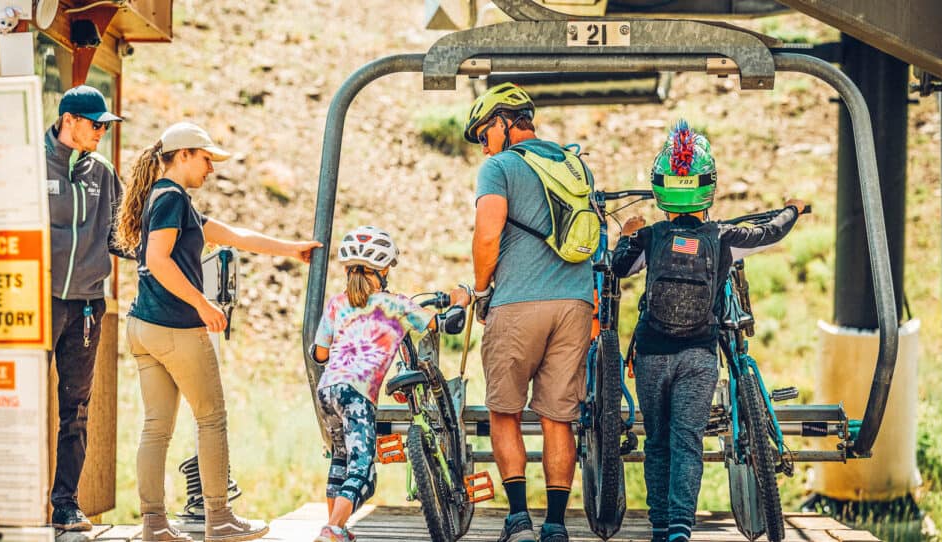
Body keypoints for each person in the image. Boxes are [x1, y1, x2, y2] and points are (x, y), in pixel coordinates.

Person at [114, 122, 321, 542]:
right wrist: (202, 303)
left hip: (143, 327)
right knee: (212, 419)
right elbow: (157, 260)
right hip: (175, 328)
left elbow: (233, 236)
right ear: (184, 154)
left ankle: (154, 525)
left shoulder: (164, 198)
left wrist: (291, 248)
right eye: (206, 159)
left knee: (156, 428)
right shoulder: (172, 198)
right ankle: (220, 519)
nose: (211, 169)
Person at [611, 120, 806, 542]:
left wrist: (626, 235)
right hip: (699, 355)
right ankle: (681, 526)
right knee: (687, 442)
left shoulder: (652, 236)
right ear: (708, 186)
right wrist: (794, 207)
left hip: (650, 353)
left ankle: (660, 525)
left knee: (658, 441)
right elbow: (770, 232)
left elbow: (618, 269)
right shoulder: (722, 237)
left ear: (660, 187)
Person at [452, 82, 595, 542]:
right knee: (558, 417)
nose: (482, 145)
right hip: (575, 302)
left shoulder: (500, 167)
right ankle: (554, 524)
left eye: (482, 133)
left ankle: (518, 519)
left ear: (502, 122)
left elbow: (488, 234)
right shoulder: (575, 165)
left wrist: (478, 289)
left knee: (505, 410)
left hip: (518, 303)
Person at [311, 226, 468, 542]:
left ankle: (336, 528)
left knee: (341, 460)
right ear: (382, 270)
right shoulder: (396, 305)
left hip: (327, 391)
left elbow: (319, 353)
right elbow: (442, 324)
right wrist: (460, 301)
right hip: (356, 395)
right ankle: (333, 529)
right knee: (362, 471)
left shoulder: (336, 303)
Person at [44, 84, 125, 531]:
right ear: (69, 121)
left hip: (88, 307)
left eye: (105, 127)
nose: (102, 133)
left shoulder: (104, 172)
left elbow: (121, 235)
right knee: (19, 401)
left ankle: (66, 504)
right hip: (36, 301)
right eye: (96, 125)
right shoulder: (31, 162)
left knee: (75, 408)